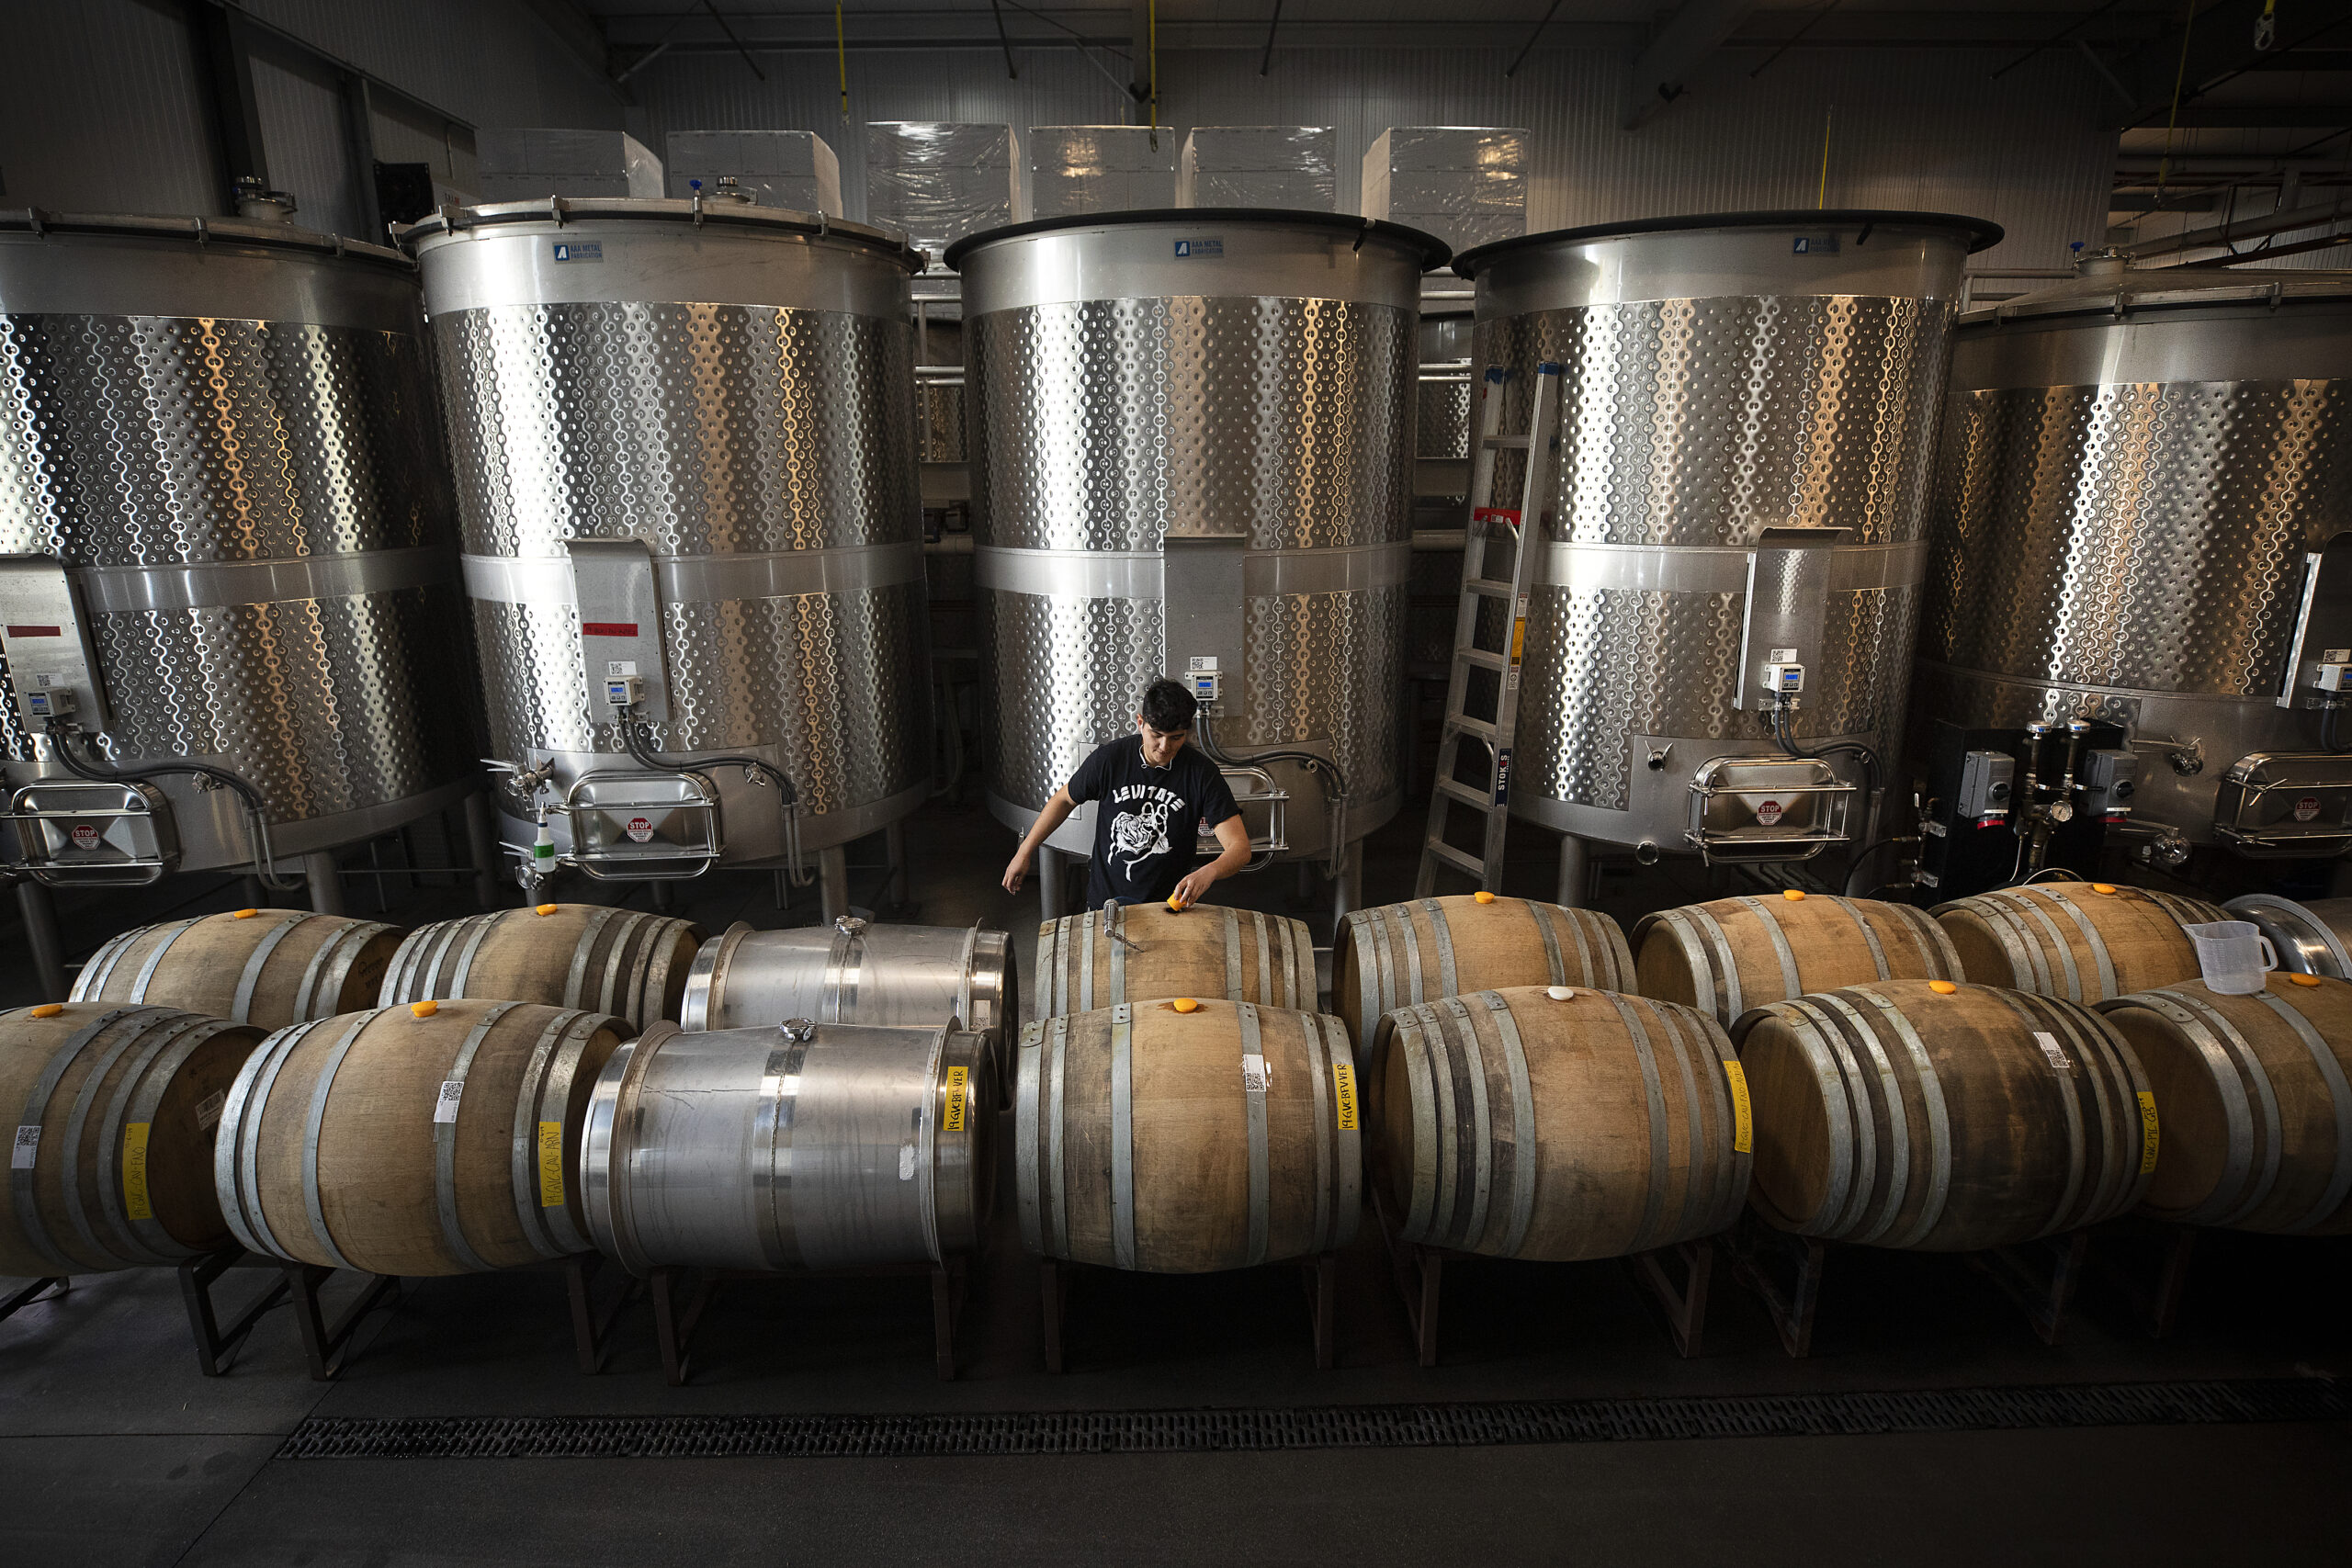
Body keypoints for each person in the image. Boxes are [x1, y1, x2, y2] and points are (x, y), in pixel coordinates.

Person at [1001, 678, 1251, 911]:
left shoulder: (1201, 773)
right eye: (1157, 735)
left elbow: (1239, 848)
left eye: (1176, 738)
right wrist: (1025, 852)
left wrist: (1210, 871)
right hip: (1106, 904)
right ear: (1140, 722)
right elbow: (1064, 800)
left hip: (1168, 908)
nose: (1165, 748)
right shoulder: (1111, 759)